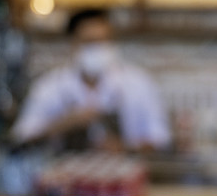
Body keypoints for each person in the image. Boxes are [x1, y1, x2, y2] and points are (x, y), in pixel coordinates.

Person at [11, 9, 170, 153]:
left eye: (104, 41)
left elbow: (160, 139)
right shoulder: (50, 86)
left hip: (122, 180)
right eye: (90, 42)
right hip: (64, 180)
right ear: (73, 44)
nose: (99, 48)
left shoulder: (138, 83)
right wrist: (63, 124)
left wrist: (125, 147)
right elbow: (21, 136)